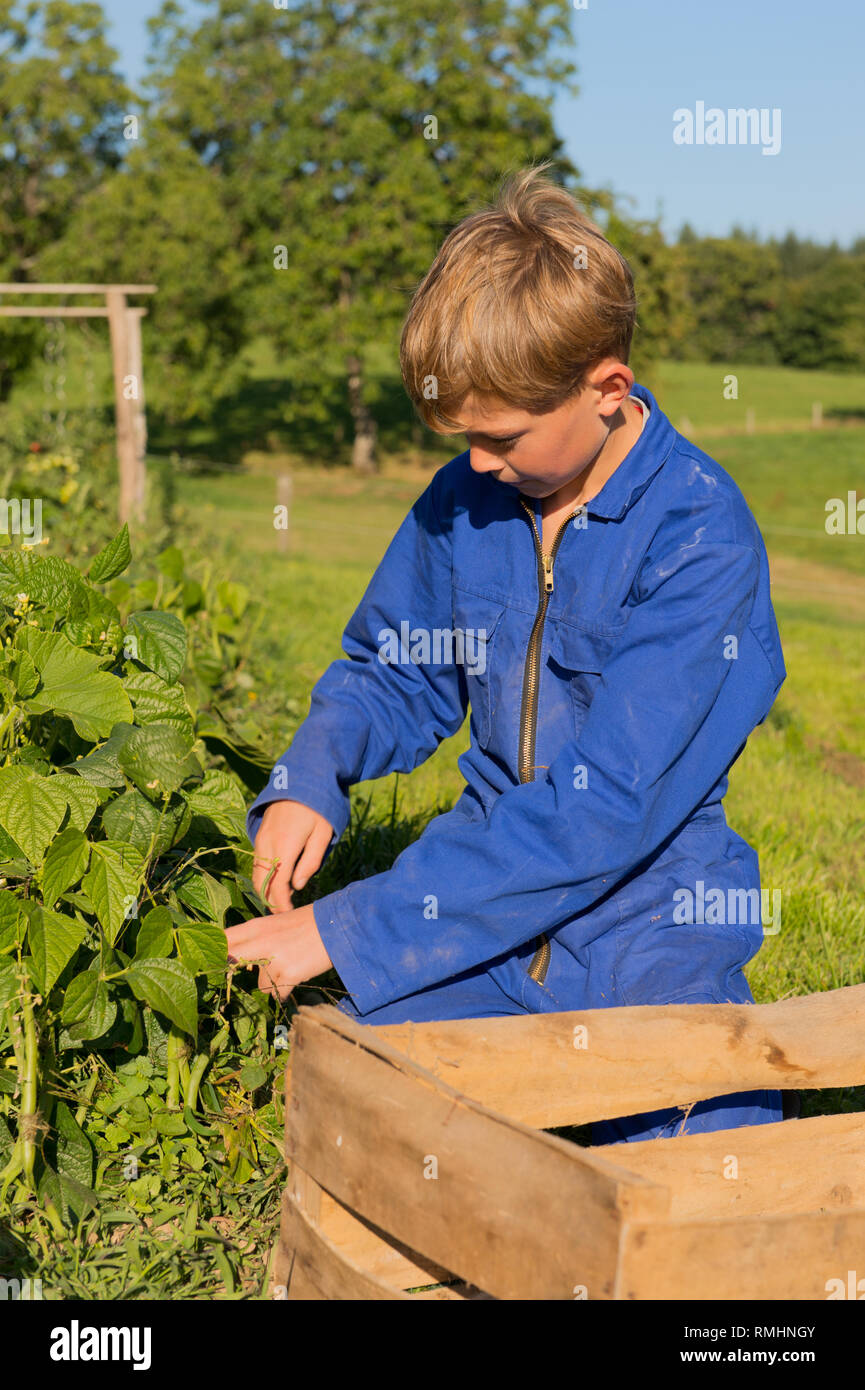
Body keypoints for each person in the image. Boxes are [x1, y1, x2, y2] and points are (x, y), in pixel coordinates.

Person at [226, 164, 786, 1144]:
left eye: (500, 437)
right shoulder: (466, 500)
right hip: (471, 895)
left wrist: (344, 924)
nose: (476, 464)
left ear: (604, 388)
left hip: (649, 909)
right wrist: (311, 772)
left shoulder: (701, 536)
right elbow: (393, 666)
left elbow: (608, 810)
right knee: (356, 1101)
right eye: (460, 436)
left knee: (696, 1145)